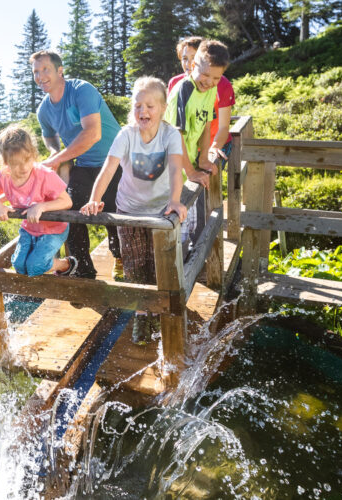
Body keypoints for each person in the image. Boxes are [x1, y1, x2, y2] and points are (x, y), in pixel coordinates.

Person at [80, 77, 187, 343]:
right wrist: (95, 198)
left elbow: (176, 168)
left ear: (162, 108)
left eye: (150, 106)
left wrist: (175, 200)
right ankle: (141, 314)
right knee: (134, 264)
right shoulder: (125, 135)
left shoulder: (170, 134)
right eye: (138, 105)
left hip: (161, 212)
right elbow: (108, 169)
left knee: (158, 263)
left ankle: (162, 313)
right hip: (128, 210)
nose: (143, 111)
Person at [31, 50, 123, 279]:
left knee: (113, 212)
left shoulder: (82, 90)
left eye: (45, 70)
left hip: (115, 161)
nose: (40, 76)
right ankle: (82, 268)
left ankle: (120, 257)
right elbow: (48, 135)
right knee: (69, 210)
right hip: (84, 165)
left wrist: (57, 158)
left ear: (60, 71)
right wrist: (54, 150)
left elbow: (92, 133)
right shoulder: (43, 110)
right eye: (35, 72)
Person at [164, 39, 231, 249]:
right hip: (168, 168)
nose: (210, 82)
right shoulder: (184, 90)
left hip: (186, 164)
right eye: (205, 75)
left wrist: (203, 158)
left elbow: (207, 122)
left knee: (192, 223)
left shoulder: (211, 88)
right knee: (174, 228)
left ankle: (192, 261)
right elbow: (176, 136)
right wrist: (192, 171)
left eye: (216, 77)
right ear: (193, 66)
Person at [0, 125, 77, 277]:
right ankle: (43, 262)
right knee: (19, 266)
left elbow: (67, 201)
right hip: (29, 229)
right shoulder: (3, 176)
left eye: (27, 160)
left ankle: (67, 264)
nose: (23, 168)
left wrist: (42, 206)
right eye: (16, 163)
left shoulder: (44, 175)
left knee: (35, 267)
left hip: (53, 230)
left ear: (33, 154)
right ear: (6, 162)